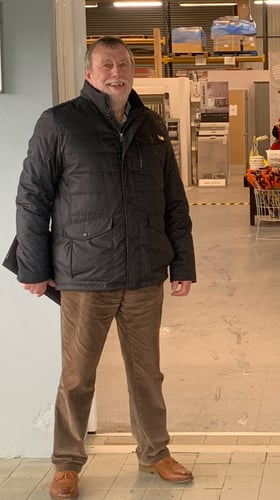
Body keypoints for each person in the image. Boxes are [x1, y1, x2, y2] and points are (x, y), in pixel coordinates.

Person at [13, 36, 196, 499]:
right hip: (83, 275)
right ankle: (67, 463)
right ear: (89, 73)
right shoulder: (59, 123)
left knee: (147, 374)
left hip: (142, 274)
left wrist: (183, 265)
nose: (117, 72)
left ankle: (155, 452)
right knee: (77, 376)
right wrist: (32, 267)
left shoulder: (152, 126)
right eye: (106, 65)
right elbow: (32, 198)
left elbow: (174, 201)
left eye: (124, 64)